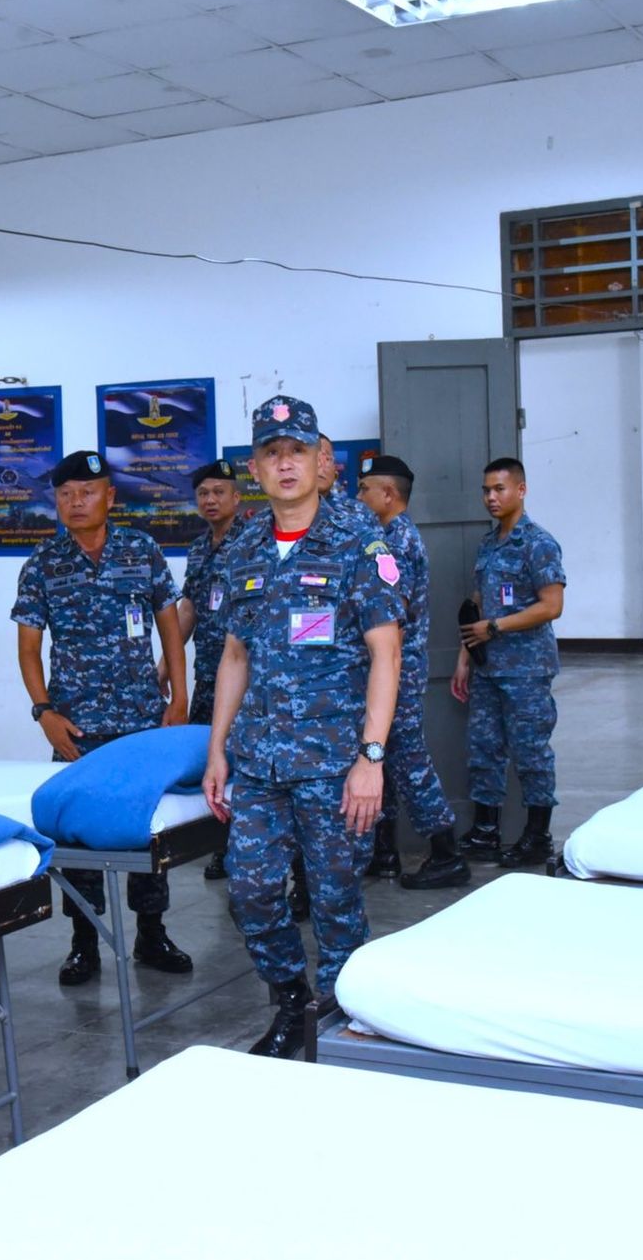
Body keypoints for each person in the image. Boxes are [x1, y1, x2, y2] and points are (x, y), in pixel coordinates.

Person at [203, 395, 401, 1060]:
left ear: (321, 460)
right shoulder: (244, 548)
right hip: (259, 761)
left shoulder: (358, 542)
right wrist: (217, 751)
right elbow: (234, 655)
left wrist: (371, 757)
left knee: (337, 899)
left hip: (335, 763)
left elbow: (387, 653)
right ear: (255, 466)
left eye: (297, 451)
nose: (285, 464)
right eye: (271, 453)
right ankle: (292, 1002)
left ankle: (340, 1023)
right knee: (252, 889)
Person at [12, 450, 193, 985]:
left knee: (145, 828)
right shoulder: (43, 563)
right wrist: (44, 712)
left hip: (142, 718)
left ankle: (152, 934)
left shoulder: (142, 549)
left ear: (109, 496)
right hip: (76, 726)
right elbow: (28, 649)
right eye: (65, 495)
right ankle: (83, 941)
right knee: (76, 837)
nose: (75, 503)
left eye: (86, 492)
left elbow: (170, 628)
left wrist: (179, 698)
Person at [448, 457, 565, 868]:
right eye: (486, 490)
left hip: (526, 669)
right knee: (484, 750)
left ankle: (537, 836)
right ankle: (486, 831)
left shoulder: (538, 543)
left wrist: (495, 628)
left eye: (499, 489)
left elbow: (551, 606)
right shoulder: (489, 544)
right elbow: (478, 602)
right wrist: (465, 656)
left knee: (531, 753)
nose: (491, 497)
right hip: (488, 667)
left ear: (521, 490)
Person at [355, 454, 464, 887]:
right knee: (388, 761)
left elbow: (392, 617)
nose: (359, 497)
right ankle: (383, 854)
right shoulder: (388, 536)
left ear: (388, 494)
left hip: (397, 673)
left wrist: (385, 672)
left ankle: (446, 852)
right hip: (395, 670)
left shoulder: (395, 543)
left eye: (365, 489)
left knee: (408, 762)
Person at [171, 458, 242, 880]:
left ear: (237, 497)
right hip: (208, 678)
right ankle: (221, 845)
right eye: (203, 494)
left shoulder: (254, 542)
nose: (210, 500)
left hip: (246, 679)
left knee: (245, 764)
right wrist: (168, 663)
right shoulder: (199, 548)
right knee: (209, 760)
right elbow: (190, 608)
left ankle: (252, 850)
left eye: (219, 492)